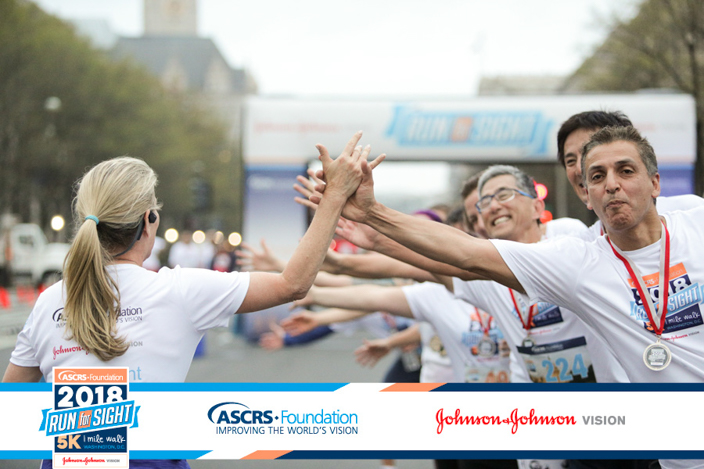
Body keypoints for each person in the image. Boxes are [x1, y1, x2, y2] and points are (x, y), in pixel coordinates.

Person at [2, 132, 382, 468]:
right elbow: (293, 285)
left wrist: (83, 424)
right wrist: (333, 198)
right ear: (149, 221)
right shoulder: (179, 291)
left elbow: (12, 406)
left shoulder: (48, 301)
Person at [556, 110, 704, 241]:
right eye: (570, 161)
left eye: (589, 152)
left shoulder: (691, 213)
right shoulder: (582, 248)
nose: (580, 169)